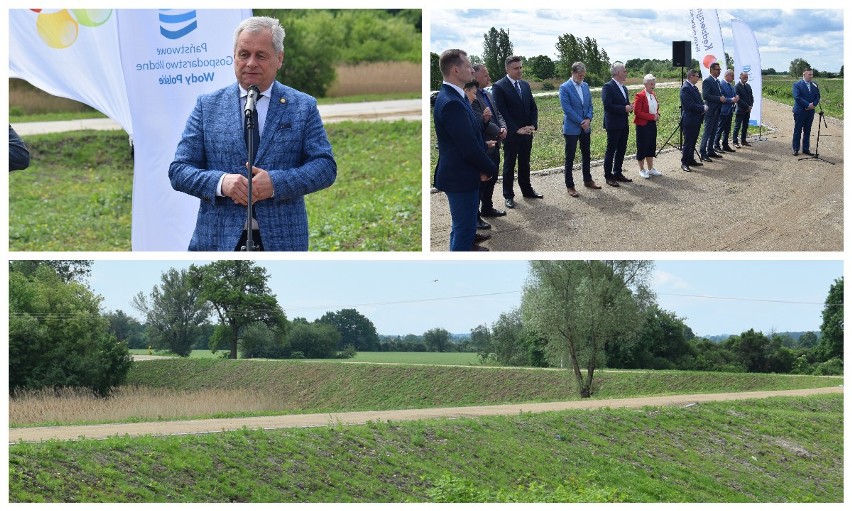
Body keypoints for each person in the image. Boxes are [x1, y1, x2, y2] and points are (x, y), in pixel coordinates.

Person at [169, 16, 336, 251]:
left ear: (279, 59)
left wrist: (276, 183)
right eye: (243, 54)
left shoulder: (302, 106)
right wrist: (221, 182)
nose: (250, 63)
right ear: (234, 56)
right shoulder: (208, 106)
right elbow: (179, 170)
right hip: (217, 241)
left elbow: (325, 167)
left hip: (282, 242)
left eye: (261, 55)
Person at [433, 49, 498, 251]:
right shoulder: (452, 102)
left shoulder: (457, 97)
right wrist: (490, 168)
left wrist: (482, 145)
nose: (472, 69)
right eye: (468, 66)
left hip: (462, 174)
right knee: (464, 232)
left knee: (462, 228)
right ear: (455, 70)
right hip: (461, 177)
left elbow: (469, 135)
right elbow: (467, 147)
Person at [492, 55, 542, 208]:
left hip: (527, 133)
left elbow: (533, 107)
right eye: (516, 68)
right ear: (507, 69)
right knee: (509, 165)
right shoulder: (499, 86)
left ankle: (527, 190)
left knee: (525, 163)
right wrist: (516, 129)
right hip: (512, 134)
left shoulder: (525, 85)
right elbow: (502, 112)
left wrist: (533, 125)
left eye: (521, 67)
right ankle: (508, 195)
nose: (519, 70)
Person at [472, 64, 507, 220]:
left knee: (492, 178)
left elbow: (497, 113)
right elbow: (479, 119)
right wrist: (498, 131)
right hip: (483, 145)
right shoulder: (472, 97)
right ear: (475, 77)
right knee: (480, 182)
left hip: (495, 144)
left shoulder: (488, 94)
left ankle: (487, 207)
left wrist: (504, 127)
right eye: (485, 75)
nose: (489, 78)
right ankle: (476, 216)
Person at [462, 79, 496, 241]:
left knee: (475, 195)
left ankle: (471, 235)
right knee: (467, 203)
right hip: (470, 160)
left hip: (481, 149)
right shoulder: (458, 107)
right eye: (473, 93)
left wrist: (484, 119)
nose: (475, 97)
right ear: (466, 90)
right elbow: (466, 140)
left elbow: (475, 129)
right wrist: (484, 145)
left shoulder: (467, 105)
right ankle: (469, 237)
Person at [558, 61, 598, 197]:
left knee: (586, 154)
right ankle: (570, 185)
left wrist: (588, 118)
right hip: (572, 128)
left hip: (585, 127)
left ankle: (588, 180)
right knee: (570, 157)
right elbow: (567, 109)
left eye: (583, 75)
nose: (582, 78)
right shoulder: (564, 87)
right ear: (573, 73)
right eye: (580, 75)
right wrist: (580, 121)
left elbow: (590, 105)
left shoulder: (586, 86)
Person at [601, 61, 633, 187]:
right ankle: (608, 175)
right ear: (618, 72)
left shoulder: (624, 87)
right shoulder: (608, 86)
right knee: (611, 150)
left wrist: (630, 107)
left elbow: (624, 103)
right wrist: (623, 109)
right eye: (624, 71)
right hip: (613, 124)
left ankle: (618, 172)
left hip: (624, 123)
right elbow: (607, 105)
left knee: (621, 149)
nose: (626, 73)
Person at [632, 74, 661, 179]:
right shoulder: (640, 95)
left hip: (652, 124)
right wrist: (652, 117)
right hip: (642, 125)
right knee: (642, 146)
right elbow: (637, 112)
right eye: (650, 84)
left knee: (651, 145)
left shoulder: (653, 94)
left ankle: (651, 168)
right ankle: (641, 169)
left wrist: (657, 114)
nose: (652, 86)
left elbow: (655, 107)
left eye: (654, 83)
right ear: (645, 84)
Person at [679, 69, 708, 172]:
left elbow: (699, 101)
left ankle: (690, 159)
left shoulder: (694, 87)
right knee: (688, 142)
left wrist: (703, 106)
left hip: (696, 119)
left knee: (693, 141)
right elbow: (689, 105)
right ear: (691, 76)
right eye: (697, 76)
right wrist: (703, 108)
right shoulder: (685, 88)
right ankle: (684, 163)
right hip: (689, 120)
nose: (698, 78)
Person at [699, 61, 728, 162]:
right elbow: (705, 96)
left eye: (720, 70)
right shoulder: (707, 81)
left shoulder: (717, 81)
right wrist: (719, 98)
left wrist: (724, 99)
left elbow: (719, 95)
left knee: (714, 131)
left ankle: (710, 150)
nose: (719, 71)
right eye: (717, 69)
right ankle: (703, 152)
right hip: (710, 111)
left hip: (717, 110)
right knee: (707, 132)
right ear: (711, 70)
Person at [791, 68, 820, 156]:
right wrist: (808, 105)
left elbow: (818, 96)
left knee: (807, 131)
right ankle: (796, 149)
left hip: (810, 112)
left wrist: (813, 105)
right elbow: (797, 97)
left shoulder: (814, 84)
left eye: (812, 74)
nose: (811, 76)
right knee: (798, 130)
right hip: (800, 111)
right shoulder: (797, 84)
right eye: (809, 74)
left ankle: (806, 149)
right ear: (804, 74)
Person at [713, 69, 739, 153]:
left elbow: (733, 94)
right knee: (720, 128)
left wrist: (736, 97)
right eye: (732, 76)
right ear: (727, 76)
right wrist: (731, 100)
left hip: (730, 110)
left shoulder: (730, 85)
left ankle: (725, 145)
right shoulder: (721, 84)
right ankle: (716, 145)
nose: (733, 78)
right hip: (723, 110)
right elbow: (722, 98)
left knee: (727, 129)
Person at [733, 71, 754, 148]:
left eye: (747, 77)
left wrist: (751, 105)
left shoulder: (748, 86)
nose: (746, 79)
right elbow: (738, 99)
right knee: (737, 126)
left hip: (747, 110)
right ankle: (735, 141)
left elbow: (751, 97)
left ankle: (743, 140)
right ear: (740, 77)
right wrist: (747, 106)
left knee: (745, 126)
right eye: (744, 77)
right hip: (740, 109)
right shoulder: (737, 86)